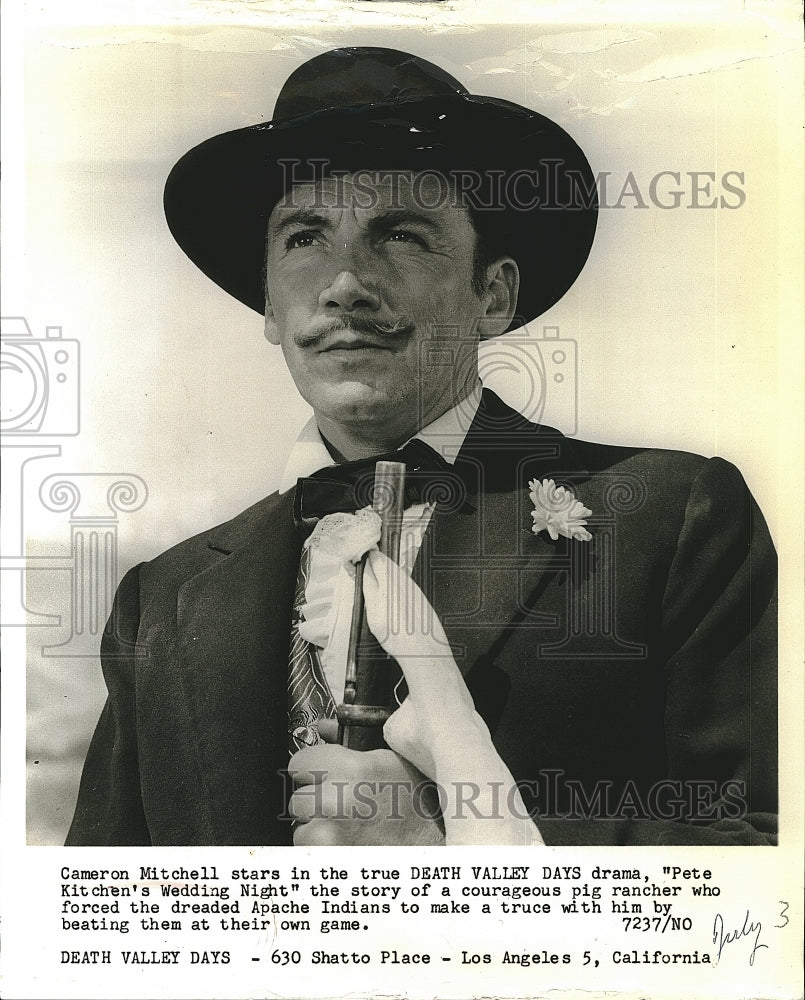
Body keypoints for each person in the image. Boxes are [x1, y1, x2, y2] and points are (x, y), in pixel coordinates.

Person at [66, 46, 777, 847]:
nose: (344, 284)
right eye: (304, 238)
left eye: (401, 235)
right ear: (269, 307)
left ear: (493, 296)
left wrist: (450, 840)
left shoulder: (669, 517)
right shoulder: (163, 601)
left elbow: (758, 868)